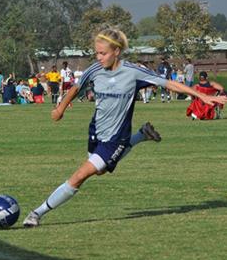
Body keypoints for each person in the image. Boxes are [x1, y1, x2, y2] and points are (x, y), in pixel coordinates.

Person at [23, 27, 227, 227]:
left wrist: (202, 95)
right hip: (96, 130)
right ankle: (141, 135)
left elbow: (169, 84)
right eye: (97, 52)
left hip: (116, 138)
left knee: (79, 176)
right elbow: (77, 88)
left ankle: (36, 213)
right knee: (100, 171)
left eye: (103, 53)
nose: (99, 57)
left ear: (116, 51)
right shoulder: (94, 70)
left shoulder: (133, 73)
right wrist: (60, 109)